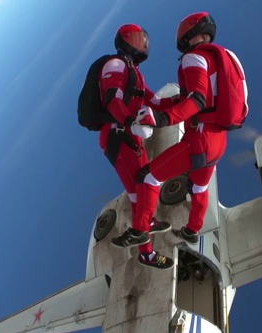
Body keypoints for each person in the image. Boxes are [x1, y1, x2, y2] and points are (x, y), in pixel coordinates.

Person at [112, 12, 245, 247]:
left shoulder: (193, 58)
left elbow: (197, 99)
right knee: (199, 186)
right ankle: (192, 230)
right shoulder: (224, 56)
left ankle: (140, 231)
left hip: (199, 138)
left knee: (148, 177)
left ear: (188, 34)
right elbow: (206, 97)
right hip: (219, 140)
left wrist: (163, 118)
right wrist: (162, 102)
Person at [99, 24, 177, 269]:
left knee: (146, 188)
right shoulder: (115, 64)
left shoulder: (136, 74)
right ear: (129, 39)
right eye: (141, 38)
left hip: (131, 137)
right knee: (140, 191)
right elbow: (112, 100)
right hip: (118, 135)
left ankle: (145, 237)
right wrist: (131, 122)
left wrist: (184, 100)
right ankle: (146, 251)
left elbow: (155, 100)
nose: (145, 43)